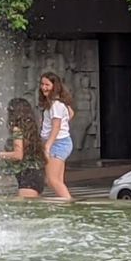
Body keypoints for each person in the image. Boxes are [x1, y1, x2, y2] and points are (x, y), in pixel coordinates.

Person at [0, 97, 44, 198]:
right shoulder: (31, 129)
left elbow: (18, 155)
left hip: (27, 179)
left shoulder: (17, 130)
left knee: (21, 205)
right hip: (35, 175)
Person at [37, 71, 74, 200]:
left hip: (57, 144)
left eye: (47, 85)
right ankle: (66, 202)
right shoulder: (58, 103)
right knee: (56, 180)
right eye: (42, 84)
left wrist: (47, 146)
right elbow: (71, 114)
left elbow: (56, 127)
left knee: (52, 180)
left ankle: (68, 202)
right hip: (60, 142)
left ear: (54, 86)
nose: (44, 87)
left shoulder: (56, 105)